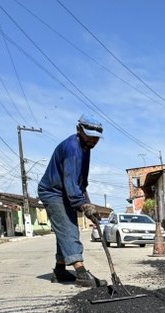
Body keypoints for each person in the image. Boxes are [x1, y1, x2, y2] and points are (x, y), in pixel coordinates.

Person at [37, 114, 107, 287]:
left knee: (64, 231)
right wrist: (82, 204)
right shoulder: (72, 148)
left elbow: (79, 181)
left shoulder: (86, 147)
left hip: (66, 191)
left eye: (95, 138)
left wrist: (86, 198)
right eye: (89, 135)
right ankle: (81, 272)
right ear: (78, 129)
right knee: (69, 229)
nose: (92, 140)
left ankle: (60, 271)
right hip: (53, 192)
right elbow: (70, 181)